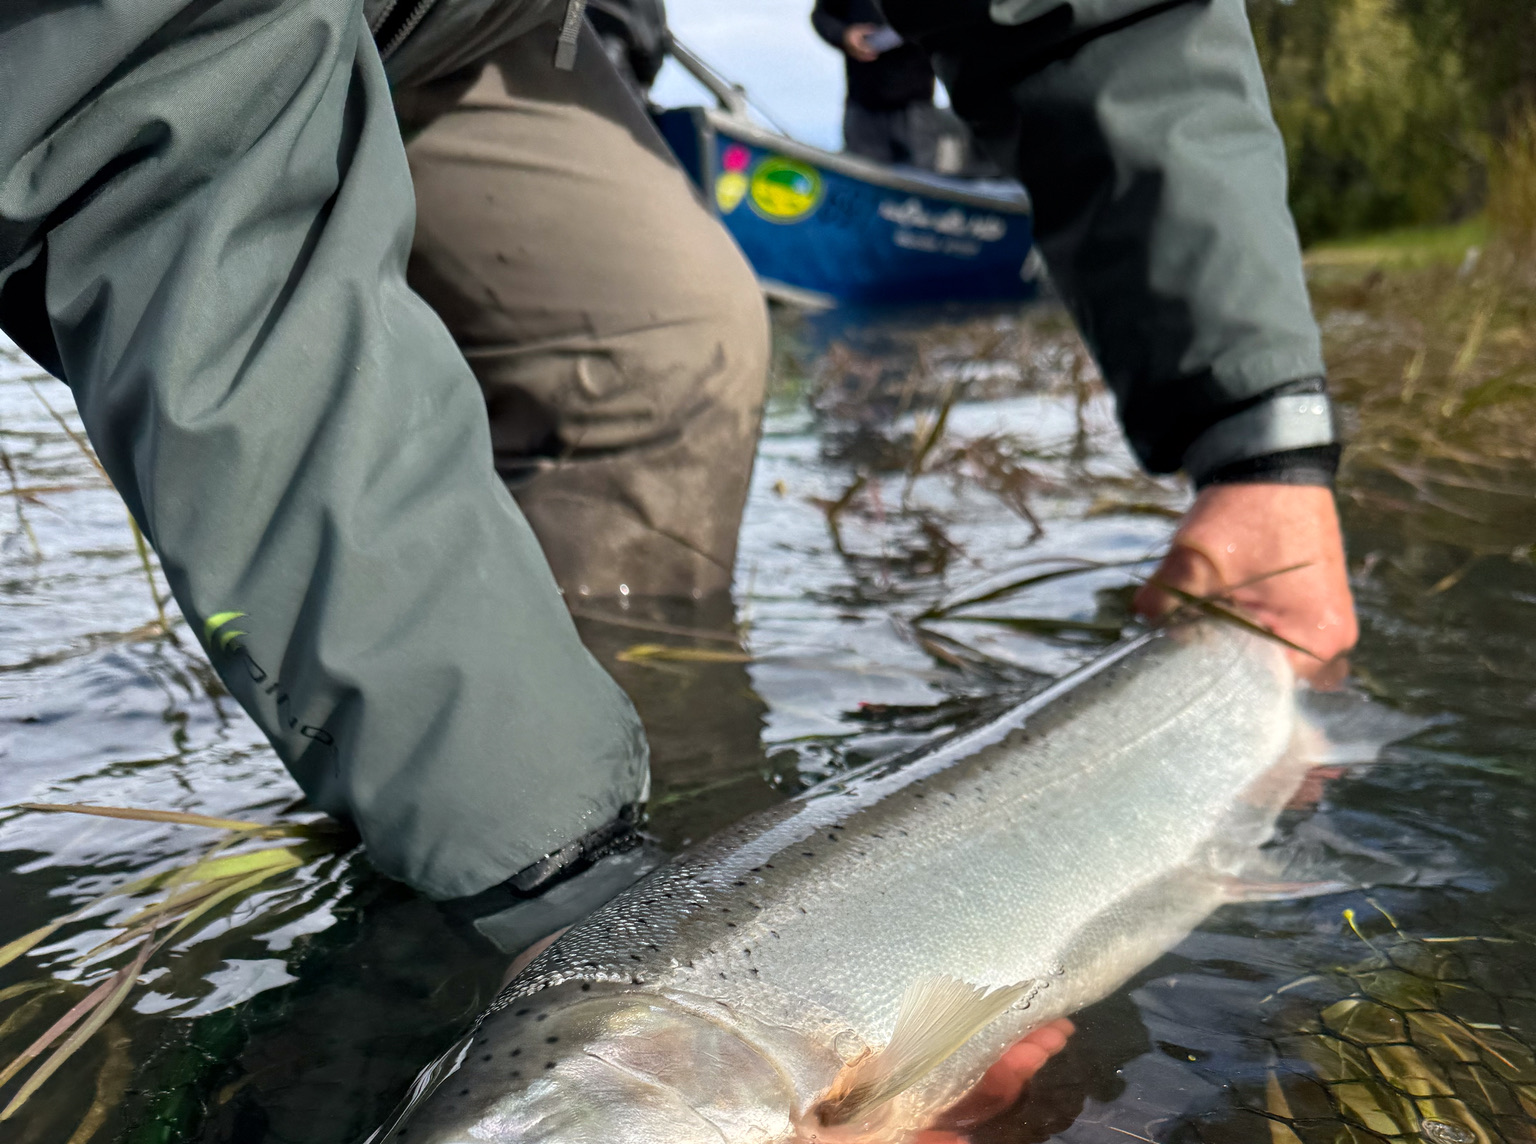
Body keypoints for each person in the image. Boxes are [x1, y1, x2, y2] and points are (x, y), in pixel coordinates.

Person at [0, 0, 1356, 948]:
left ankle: (616, 811)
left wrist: (1261, 439)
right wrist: (548, 887)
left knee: (669, 337)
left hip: (477, 29)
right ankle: (504, 882)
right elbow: (150, 141)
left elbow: (1093, 12)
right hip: (123, 55)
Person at [811, 1, 943, 170]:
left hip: (917, 108)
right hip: (863, 105)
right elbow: (821, 15)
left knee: (921, 184)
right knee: (859, 181)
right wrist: (844, 34)